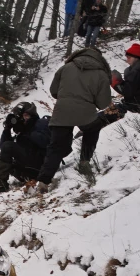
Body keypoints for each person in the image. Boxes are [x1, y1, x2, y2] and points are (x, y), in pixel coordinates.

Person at [36, 47, 112, 193]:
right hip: (86, 112)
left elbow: (54, 91)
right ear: (99, 58)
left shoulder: (66, 68)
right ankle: (84, 162)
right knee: (92, 128)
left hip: (62, 111)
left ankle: (43, 181)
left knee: (55, 146)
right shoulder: (101, 74)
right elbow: (103, 103)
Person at [0, 102, 51, 193]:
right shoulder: (22, 131)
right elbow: (4, 148)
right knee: (8, 155)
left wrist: (28, 129)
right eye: (22, 117)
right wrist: (7, 129)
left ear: (32, 114)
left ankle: (0, 185)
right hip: (29, 167)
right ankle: (21, 179)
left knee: (9, 147)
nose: (24, 119)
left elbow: (45, 143)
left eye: (26, 115)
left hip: (42, 164)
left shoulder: (41, 123)